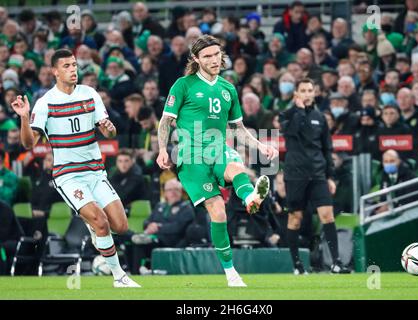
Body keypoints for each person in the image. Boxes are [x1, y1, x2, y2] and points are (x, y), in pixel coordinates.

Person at [11, 49, 140, 288]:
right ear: (55, 71)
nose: (73, 70)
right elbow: (29, 143)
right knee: (101, 222)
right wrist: (24, 117)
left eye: (74, 65)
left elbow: (108, 131)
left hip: (95, 172)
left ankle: (96, 229)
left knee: (121, 226)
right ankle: (119, 276)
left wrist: (109, 127)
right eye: (67, 66)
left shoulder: (90, 94)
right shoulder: (46, 102)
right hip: (68, 176)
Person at [156, 35, 278, 287]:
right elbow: (166, 121)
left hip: (218, 148)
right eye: (207, 56)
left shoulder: (228, 88)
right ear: (196, 59)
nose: (213, 59)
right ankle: (231, 272)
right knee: (218, 212)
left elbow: (239, 128)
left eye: (216, 54)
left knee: (237, 167)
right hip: (191, 157)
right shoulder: (183, 85)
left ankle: (250, 198)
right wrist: (162, 149)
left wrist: (259, 145)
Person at [279, 78, 350, 275]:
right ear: (296, 93)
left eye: (310, 90)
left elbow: (327, 149)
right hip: (295, 175)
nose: (308, 93)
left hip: (318, 175)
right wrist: (300, 110)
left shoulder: (321, 117)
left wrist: (330, 176)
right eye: (303, 90)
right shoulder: (286, 115)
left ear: (314, 92)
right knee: (295, 219)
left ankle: (336, 262)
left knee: (327, 215)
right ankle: (297, 265)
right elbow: (291, 132)